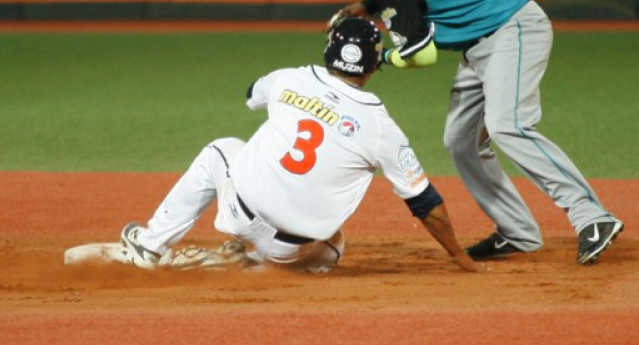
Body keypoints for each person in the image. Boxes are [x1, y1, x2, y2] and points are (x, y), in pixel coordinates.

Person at [316, 0, 624, 265]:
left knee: (509, 126)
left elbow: (421, 55)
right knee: (461, 140)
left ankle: (592, 216)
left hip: (512, 27)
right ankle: (517, 232)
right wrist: (368, 5)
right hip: (483, 41)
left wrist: (376, 57)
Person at [113, 17, 483, 273]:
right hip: (292, 251)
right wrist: (459, 257)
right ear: (373, 66)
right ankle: (255, 268)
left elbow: (250, 96)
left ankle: (150, 244)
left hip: (240, 214)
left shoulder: (289, 78)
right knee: (336, 245)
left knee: (221, 148)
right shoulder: (381, 126)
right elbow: (424, 201)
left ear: (329, 52)